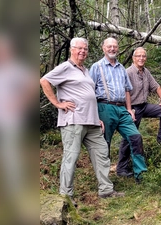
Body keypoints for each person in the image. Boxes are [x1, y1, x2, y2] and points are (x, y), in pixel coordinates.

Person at [40, 37, 124, 202]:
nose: (82, 52)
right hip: (73, 120)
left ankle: (106, 190)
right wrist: (57, 103)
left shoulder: (84, 70)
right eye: (79, 48)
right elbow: (44, 81)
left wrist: (97, 118)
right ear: (72, 49)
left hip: (92, 121)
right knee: (71, 157)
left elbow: (89, 95)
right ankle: (65, 196)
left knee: (101, 153)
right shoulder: (65, 67)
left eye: (85, 49)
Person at [89, 37, 147, 183]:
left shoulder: (121, 68)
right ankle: (104, 180)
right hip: (104, 107)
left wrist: (129, 109)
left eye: (115, 46)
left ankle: (140, 173)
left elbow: (127, 90)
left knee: (135, 137)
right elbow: (89, 91)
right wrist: (95, 115)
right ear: (103, 48)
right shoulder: (97, 67)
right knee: (104, 143)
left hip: (121, 108)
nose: (112, 49)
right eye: (109, 46)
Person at [117, 47, 161, 176]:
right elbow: (122, 92)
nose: (141, 58)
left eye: (143, 56)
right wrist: (128, 110)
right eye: (138, 56)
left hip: (144, 106)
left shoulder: (146, 72)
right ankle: (121, 168)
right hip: (132, 108)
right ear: (133, 58)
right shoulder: (127, 73)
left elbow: (156, 87)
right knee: (130, 137)